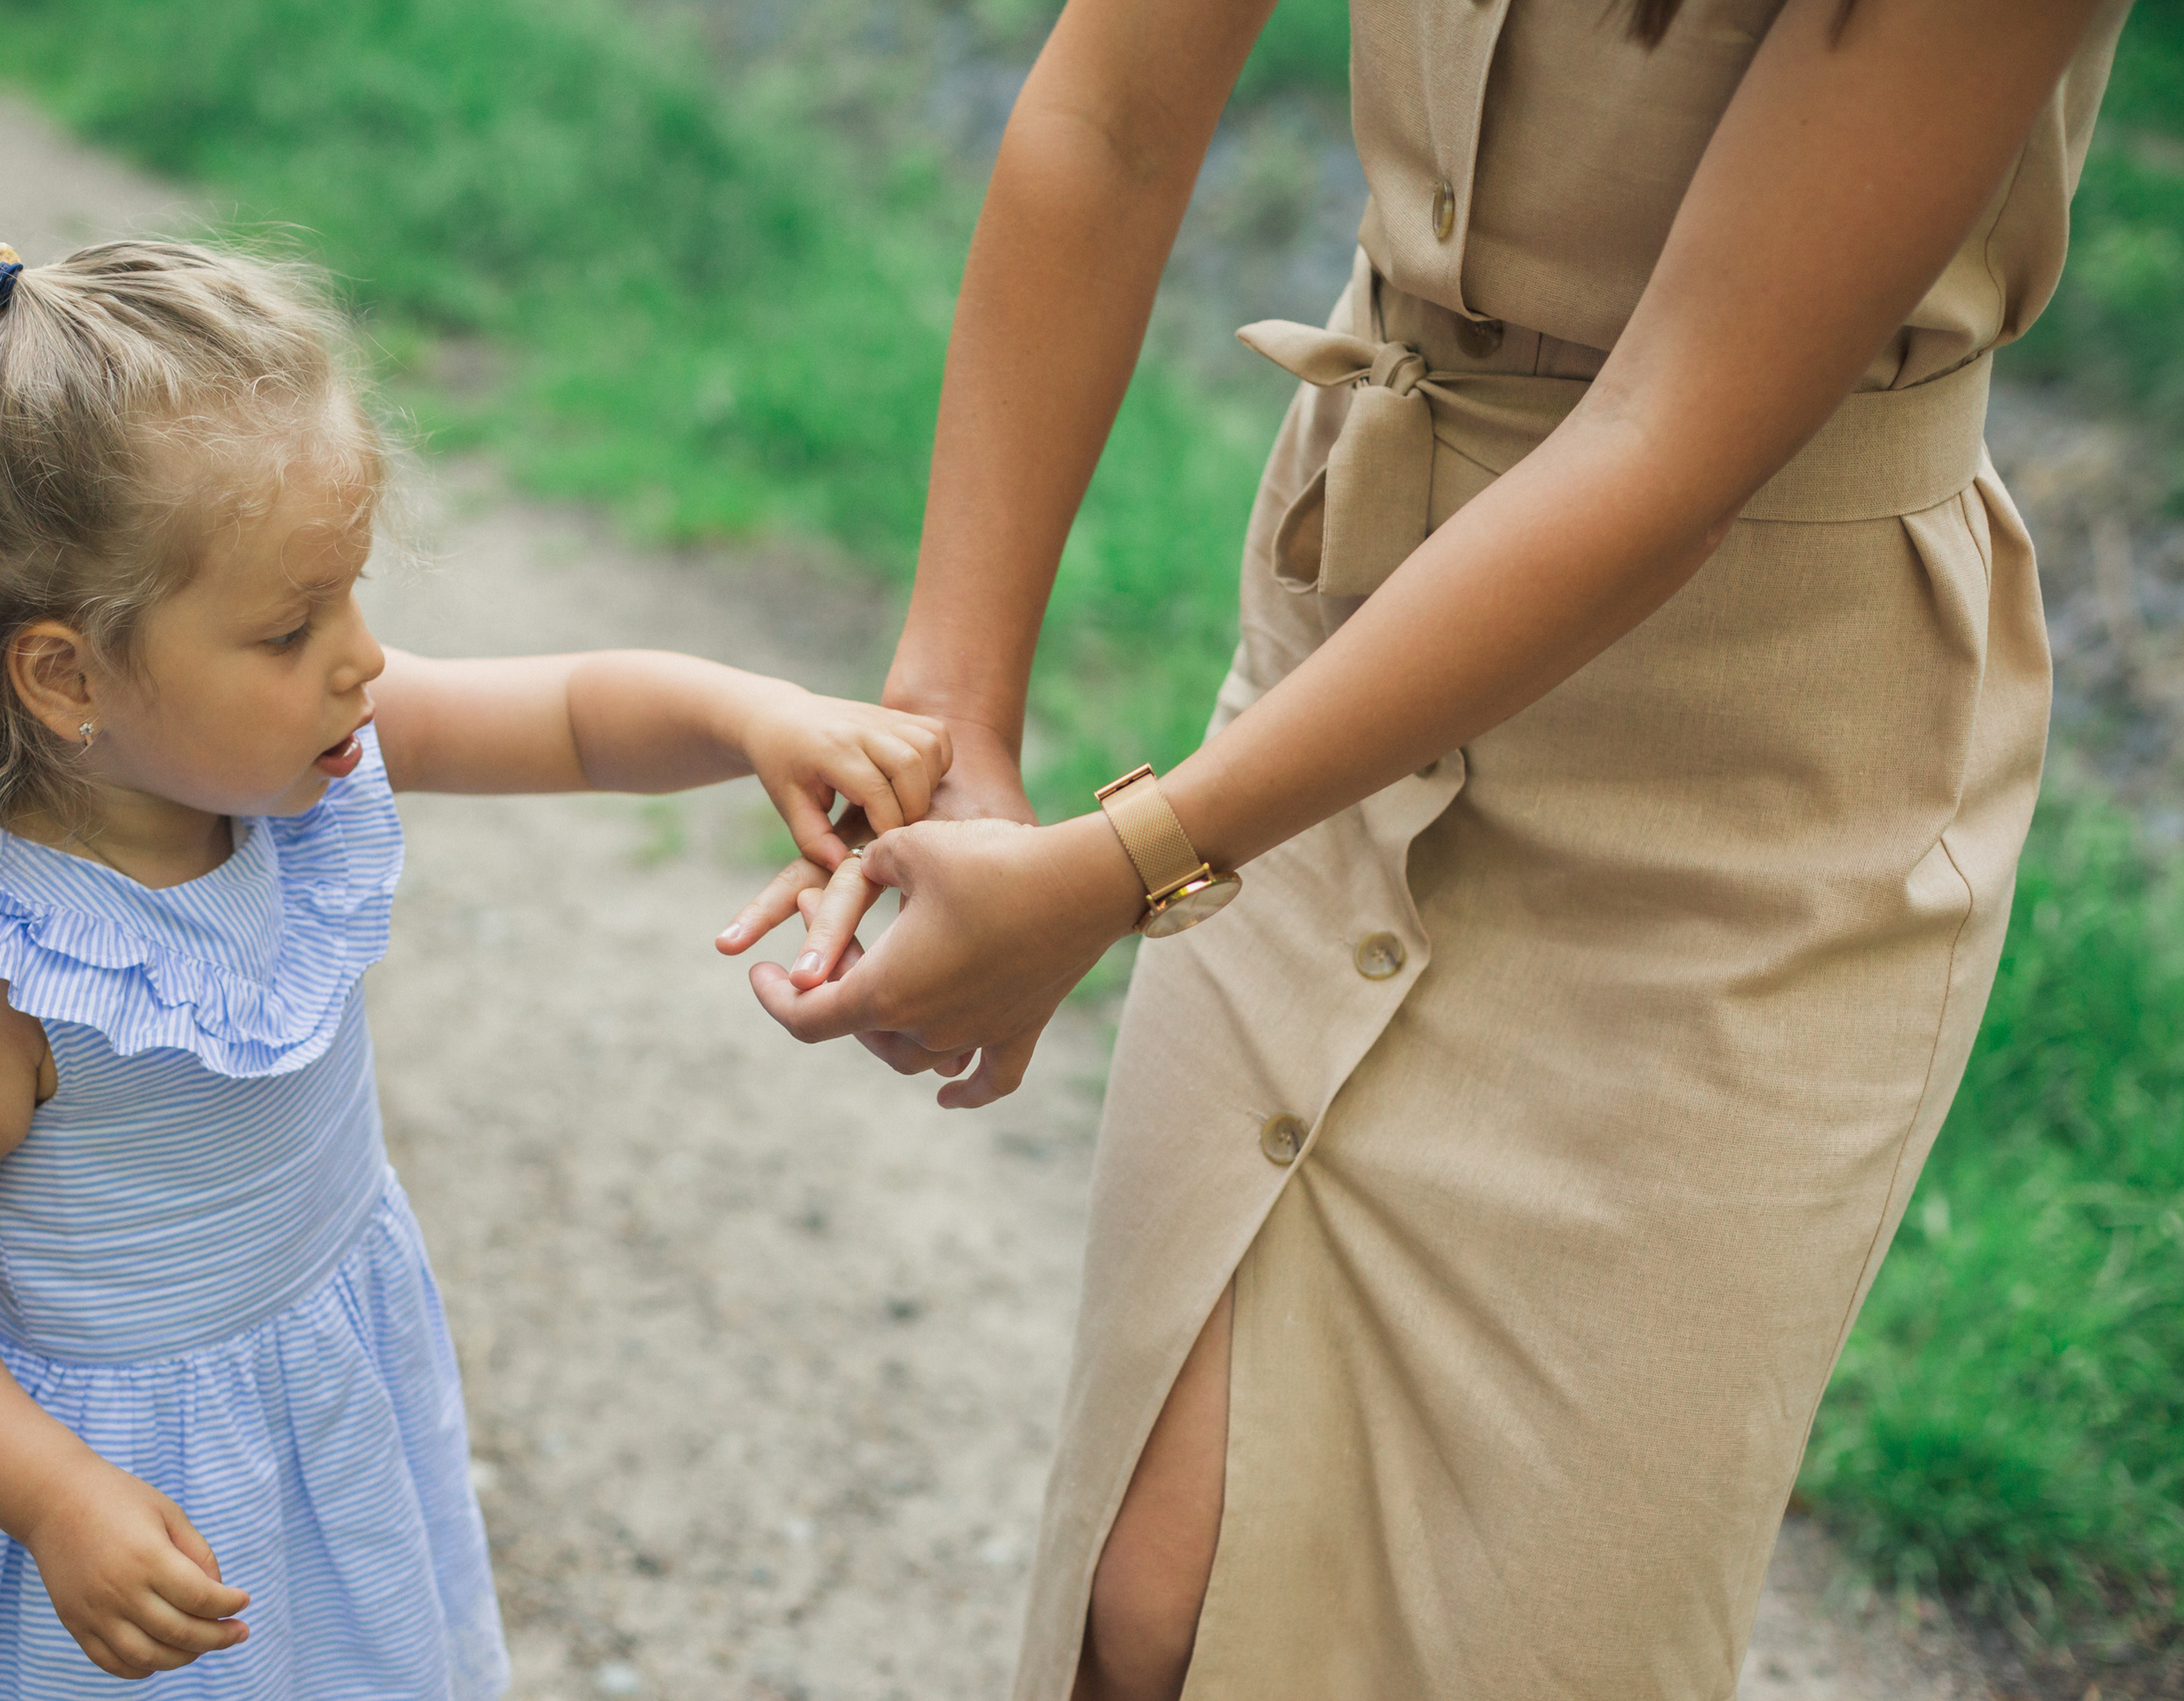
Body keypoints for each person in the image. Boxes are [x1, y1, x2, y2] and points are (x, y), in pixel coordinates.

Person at [713, 0, 2135, 1696]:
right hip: (1343, 627)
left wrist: (1122, 869)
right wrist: (954, 721)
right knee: (1153, 1608)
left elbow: (1669, 435)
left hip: (1742, 781)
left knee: (1500, 1644)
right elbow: (1115, 115)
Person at [0, 233, 952, 1698]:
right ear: (67, 677)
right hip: (121, 1514)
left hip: (320, 1416)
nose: (362, 660)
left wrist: (754, 717)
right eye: (291, 625)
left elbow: (569, 717)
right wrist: (52, 1495)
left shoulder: (296, 762)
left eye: (354, 596)